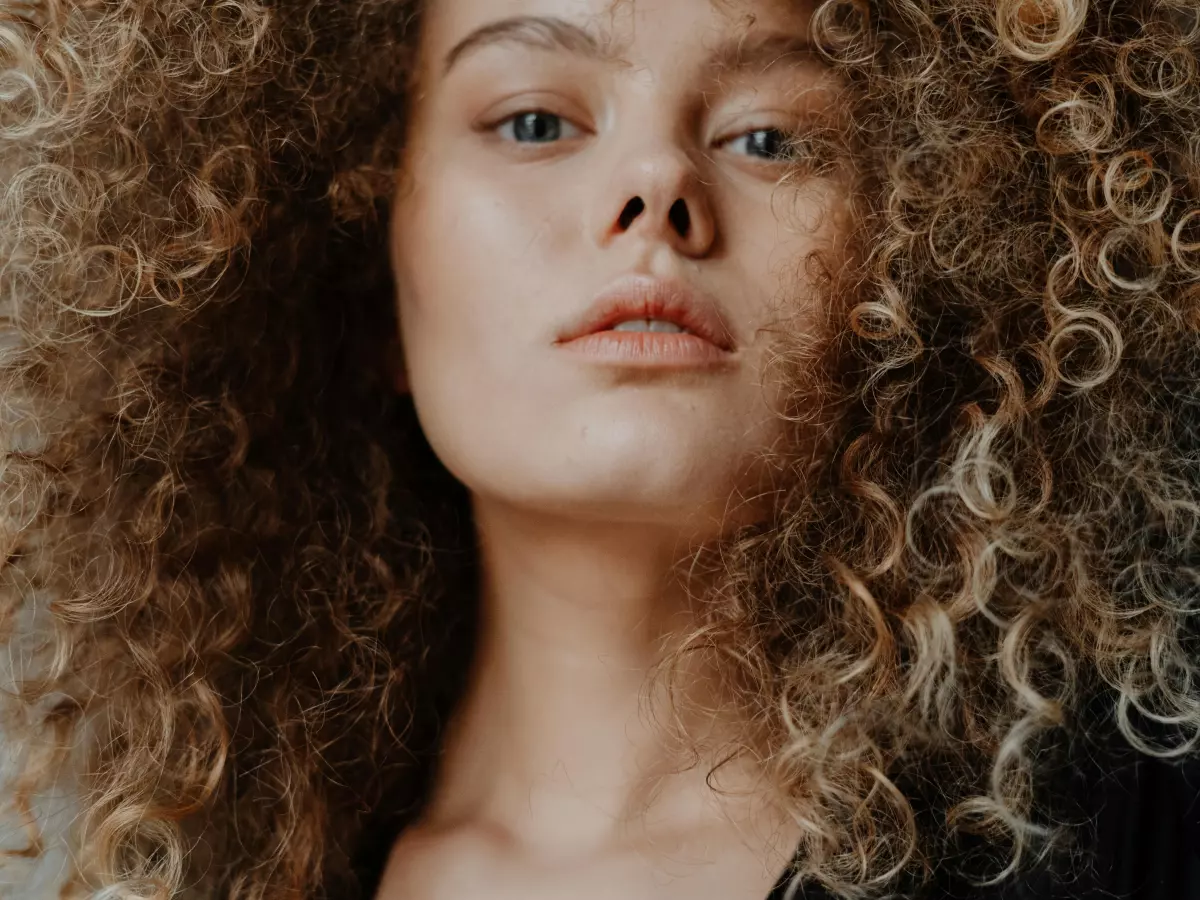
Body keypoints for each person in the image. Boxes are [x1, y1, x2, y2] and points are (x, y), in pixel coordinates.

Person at [0, 0, 1196, 898]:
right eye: (533, 120)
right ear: (370, 281)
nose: (657, 186)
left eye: (771, 138)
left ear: (909, 270)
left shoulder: (1130, 824)